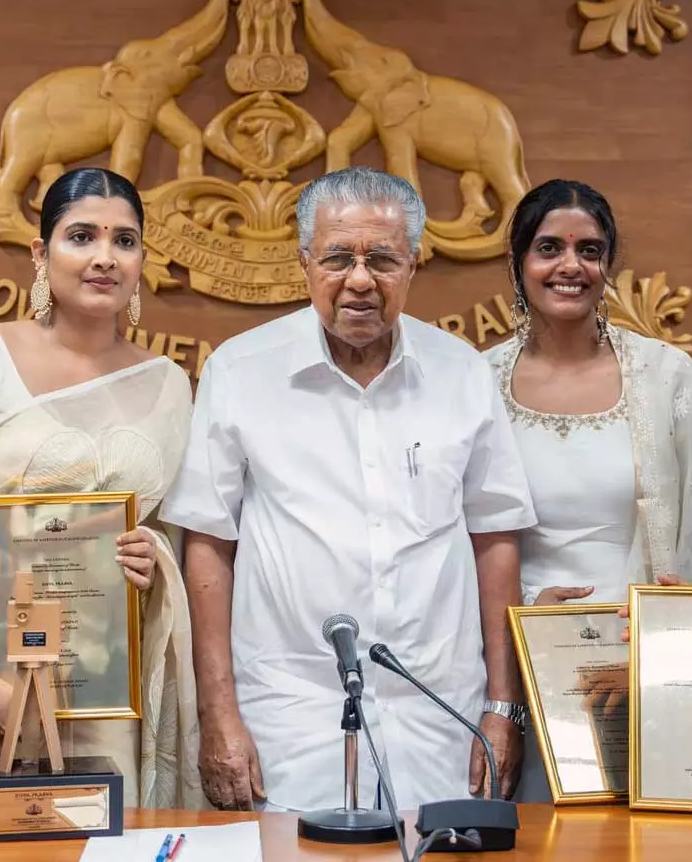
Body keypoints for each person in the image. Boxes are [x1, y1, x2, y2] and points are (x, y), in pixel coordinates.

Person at [162, 166, 538, 814]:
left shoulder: (462, 374)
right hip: (289, 720)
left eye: (382, 259)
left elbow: (494, 539)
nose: (360, 280)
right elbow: (208, 543)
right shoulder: (241, 371)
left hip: (440, 719)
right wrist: (218, 713)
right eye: (338, 257)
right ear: (305, 262)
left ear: (414, 263)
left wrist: (501, 707)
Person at [0, 167, 202, 809]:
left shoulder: (170, 383)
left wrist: (152, 556)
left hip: (98, 683)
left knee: (90, 842)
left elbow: (168, 531)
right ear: (41, 252)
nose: (104, 258)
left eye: (124, 241)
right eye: (81, 236)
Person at [482, 179, 692, 801]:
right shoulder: (474, 385)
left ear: (608, 265)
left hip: (649, 669)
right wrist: (528, 615)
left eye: (589, 250)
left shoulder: (669, 379)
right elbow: (461, 540)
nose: (570, 266)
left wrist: (659, 637)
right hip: (518, 667)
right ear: (517, 263)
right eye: (549, 247)